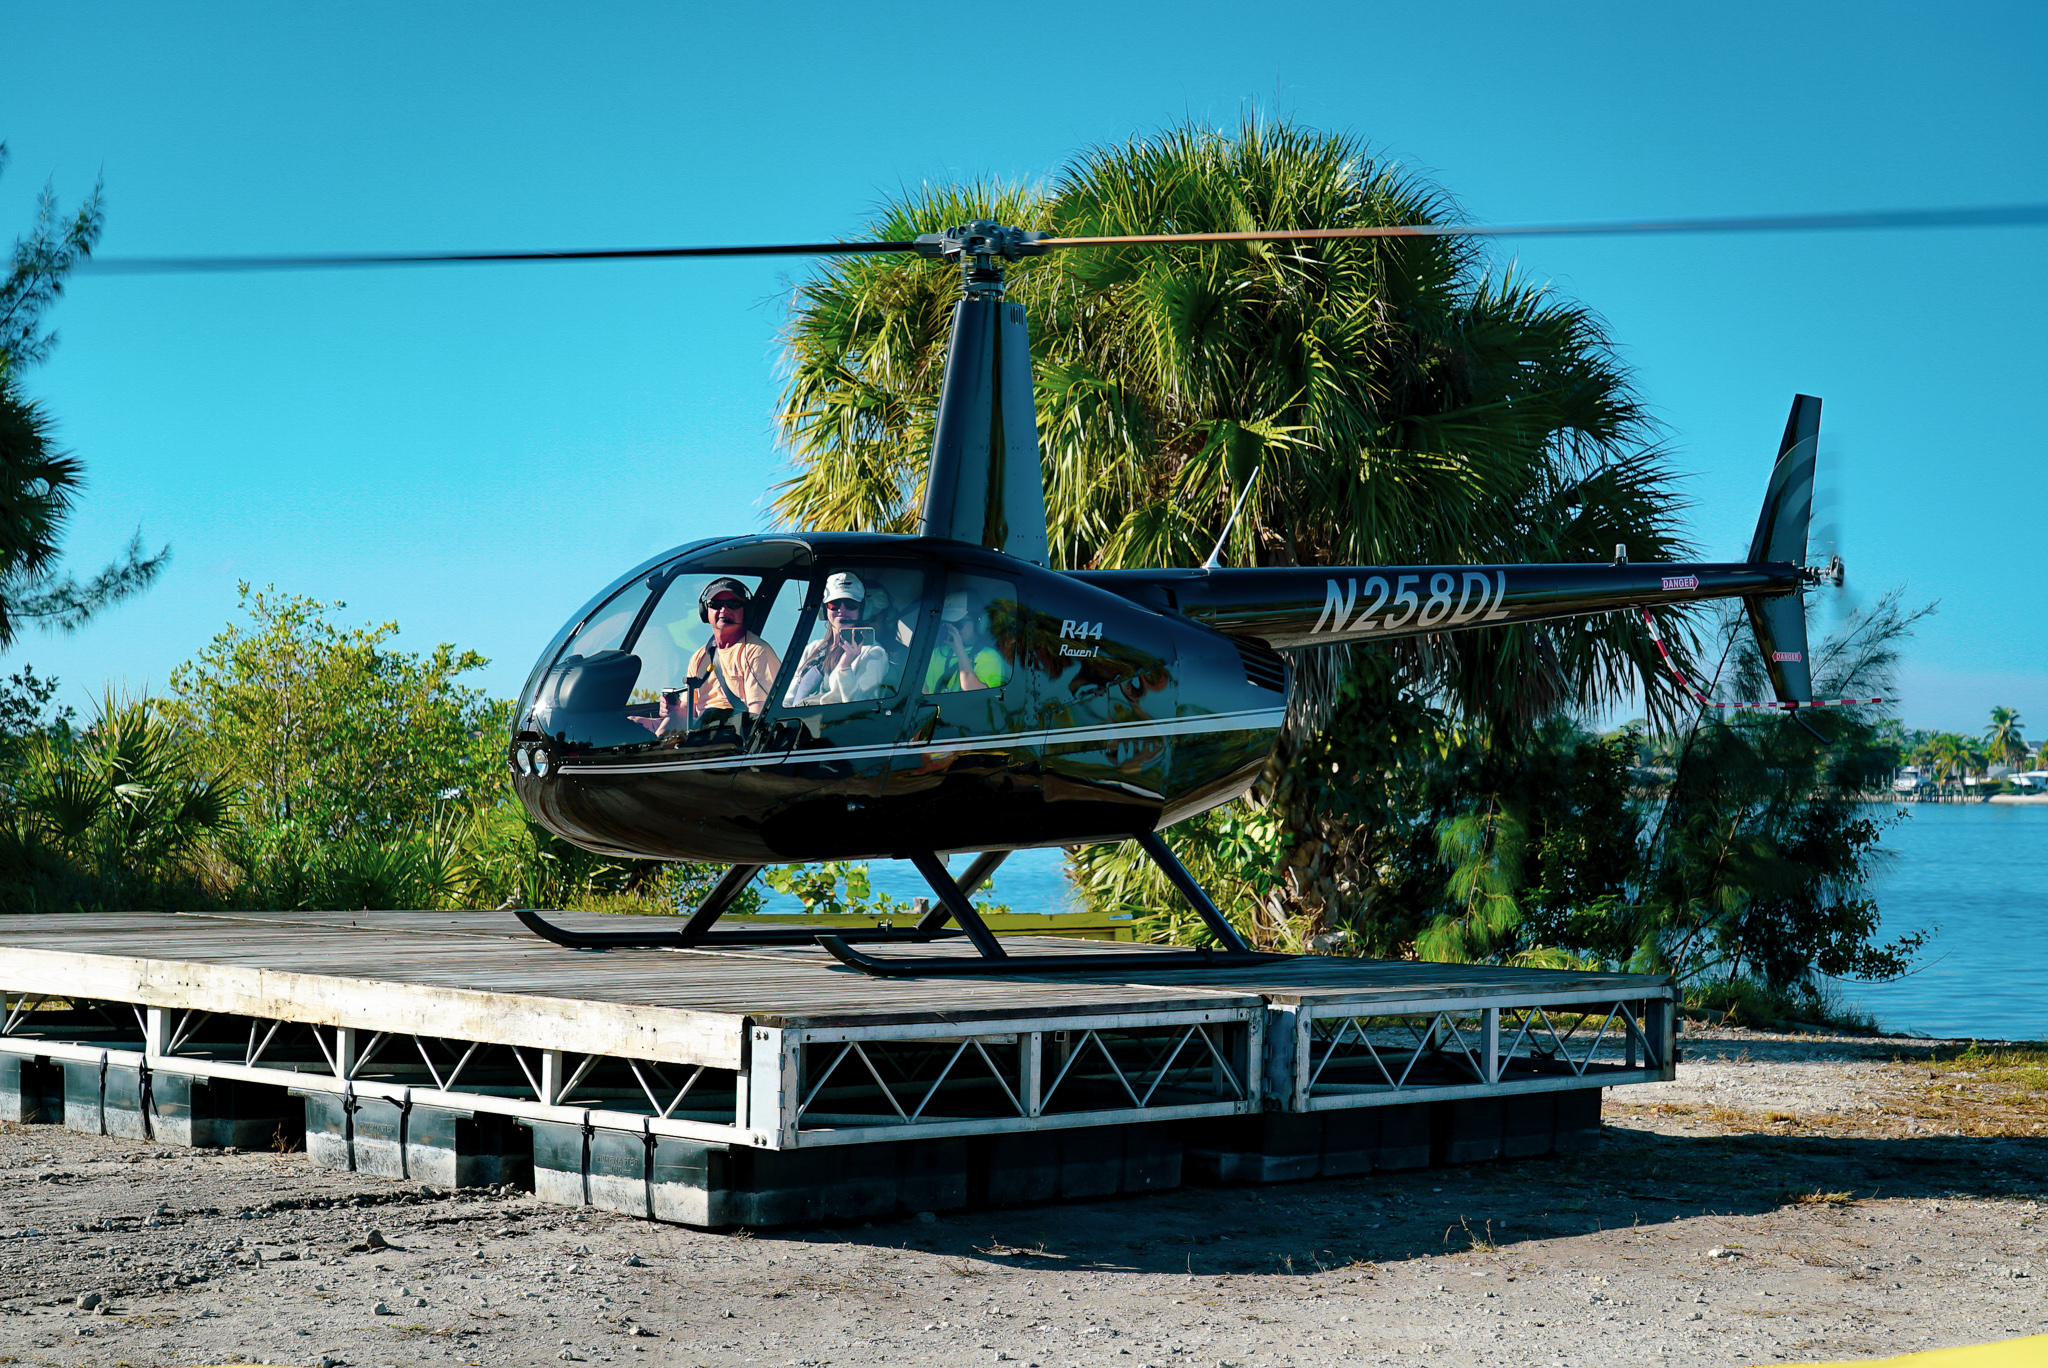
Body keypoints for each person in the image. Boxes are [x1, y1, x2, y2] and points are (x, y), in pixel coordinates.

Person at [678, 577, 781, 726]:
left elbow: (758, 717)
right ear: (705, 611)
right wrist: (673, 710)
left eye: (733, 604)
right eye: (716, 605)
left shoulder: (756, 652)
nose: (724, 610)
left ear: (746, 611)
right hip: (702, 735)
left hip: (733, 738)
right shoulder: (699, 657)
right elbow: (685, 712)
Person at [785, 572, 891, 706]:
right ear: (824, 609)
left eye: (851, 604)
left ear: (863, 609)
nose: (842, 609)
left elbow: (863, 707)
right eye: (834, 604)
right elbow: (788, 699)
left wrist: (845, 667)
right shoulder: (812, 649)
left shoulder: (873, 653)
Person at [925, 590, 1006, 693]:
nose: (952, 629)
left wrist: (959, 651)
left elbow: (974, 691)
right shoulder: (936, 653)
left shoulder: (989, 657)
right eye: (947, 623)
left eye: (958, 623)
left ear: (978, 623)